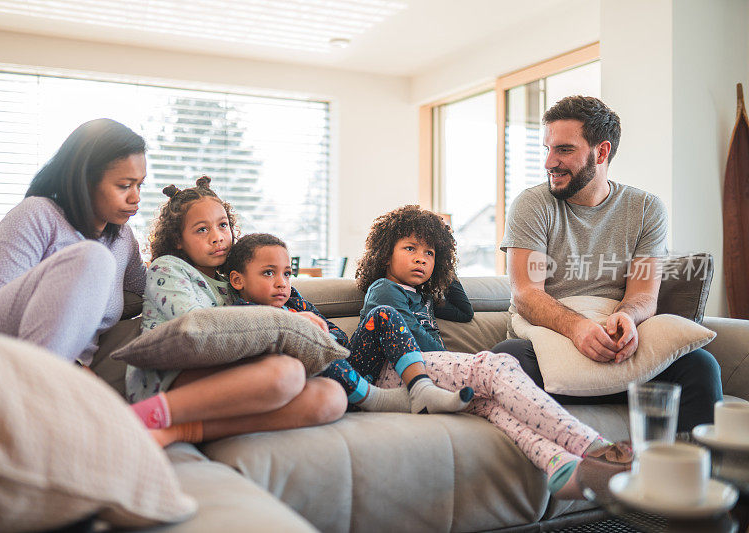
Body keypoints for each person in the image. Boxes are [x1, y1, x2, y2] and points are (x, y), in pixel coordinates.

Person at [357, 205, 632, 499]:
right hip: (397, 374)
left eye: (429, 253)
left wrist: (442, 269)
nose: (420, 258)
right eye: (410, 248)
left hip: (425, 375)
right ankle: (594, 446)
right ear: (386, 254)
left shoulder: (422, 294)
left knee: (489, 406)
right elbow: (418, 345)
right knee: (494, 366)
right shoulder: (384, 289)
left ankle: (560, 466)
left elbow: (463, 311)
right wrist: (463, 361)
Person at [492, 96, 722, 432]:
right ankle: (561, 478)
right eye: (547, 149)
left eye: (564, 150)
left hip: (614, 340)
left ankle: (688, 478)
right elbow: (526, 294)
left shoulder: (646, 209)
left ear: (601, 152)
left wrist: (626, 317)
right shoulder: (532, 205)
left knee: (699, 365)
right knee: (506, 360)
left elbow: (644, 295)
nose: (548, 163)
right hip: (546, 341)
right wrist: (578, 328)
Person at [126, 177, 346, 448]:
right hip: (170, 378)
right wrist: (285, 321)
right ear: (178, 240)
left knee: (332, 397)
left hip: (229, 374)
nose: (218, 236)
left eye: (222, 225)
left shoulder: (234, 282)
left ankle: (184, 431)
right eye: (201, 230)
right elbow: (199, 329)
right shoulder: (168, 268)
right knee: (285, 374)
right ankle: (139, 418)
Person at [0, 118, 147, 365]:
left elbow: (151, 289)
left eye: (140, 185)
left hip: (54, 370)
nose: (136, 198)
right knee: (93, 258)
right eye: (125, 185)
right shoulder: (36, 214)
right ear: (85, 180)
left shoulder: (123, 238)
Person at [224, 232, 473, 414]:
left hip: (352, 363)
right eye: (269, 273)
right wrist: (296, 325)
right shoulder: (245, 315)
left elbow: (336, 334)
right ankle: (374, 399)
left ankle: (421, 388)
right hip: (328, 382)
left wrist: (327, 334)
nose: (281, 282)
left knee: (384, 313)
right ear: (237, 280)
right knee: (311, 345)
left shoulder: (293, 298)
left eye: (287, 273)